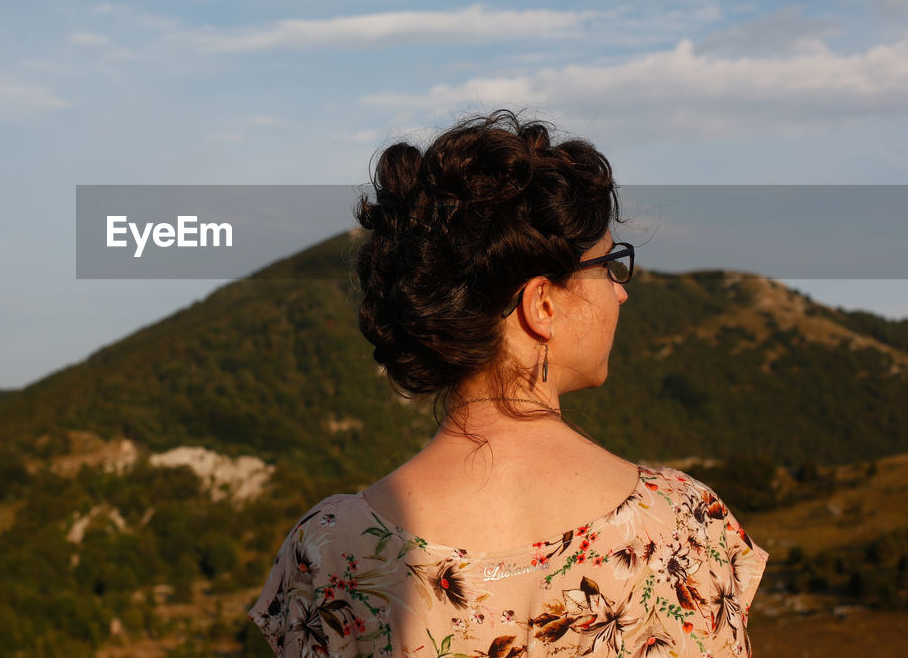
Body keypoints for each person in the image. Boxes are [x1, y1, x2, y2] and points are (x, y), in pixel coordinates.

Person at [249, 111, 767, 657]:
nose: (621, 292)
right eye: (610, 265)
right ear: (542, 304)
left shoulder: (329, 551)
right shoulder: (684, 529)